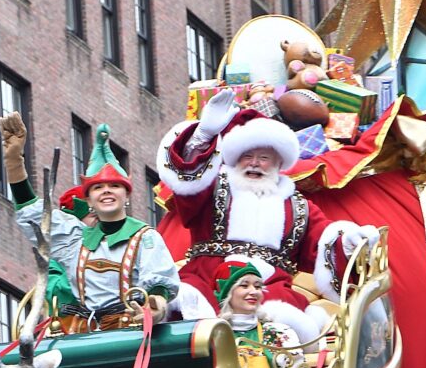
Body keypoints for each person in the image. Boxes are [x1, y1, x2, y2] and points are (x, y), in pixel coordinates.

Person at [156, 88, 378, 342]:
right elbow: (188, 180)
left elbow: (324, 246)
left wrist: (350, 241)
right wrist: (203, 137)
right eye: (247, 156)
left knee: (291, 325)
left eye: (264, 158)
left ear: (278, 164)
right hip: (208, 281)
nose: (254, 163)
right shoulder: (212, 188)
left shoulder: (298, 206)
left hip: (270, 291)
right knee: (184, 305)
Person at [0, 111, 179, 332]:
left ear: (127, 195)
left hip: (130, 334)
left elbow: (159, 283)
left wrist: (156, 305)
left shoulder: (145, 237)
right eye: (98, 187)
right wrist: (14, 162)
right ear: (89, 199)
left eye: (114, 186)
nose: (106, 191)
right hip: (85, 337)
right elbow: (32, 211)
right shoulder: (74, 239)